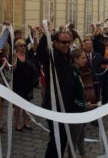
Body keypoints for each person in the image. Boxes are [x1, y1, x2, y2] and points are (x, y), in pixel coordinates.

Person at [36, 30, 75, 158]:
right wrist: (48, 35)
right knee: (57, 136)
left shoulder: (66, 55)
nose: (66, 45)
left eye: (68, 42)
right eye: (63, 42)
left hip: (66, 103)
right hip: (54, 105)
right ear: (55, 43)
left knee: (63, 137)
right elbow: (40, 53)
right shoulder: (51, 56)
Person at [12, 39, 35, 131]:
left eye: (24, 45)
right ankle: (17, 124)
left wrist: (35, 36)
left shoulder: (28, 55)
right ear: (17, 47)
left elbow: (35, 48)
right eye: (21, 45)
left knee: (28, 103)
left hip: (28, 83)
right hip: (18, 83)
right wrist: (14, 58)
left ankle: (27, 122)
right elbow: (13, 68)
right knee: (18, 105)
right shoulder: (14, 56)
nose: (23, 47)